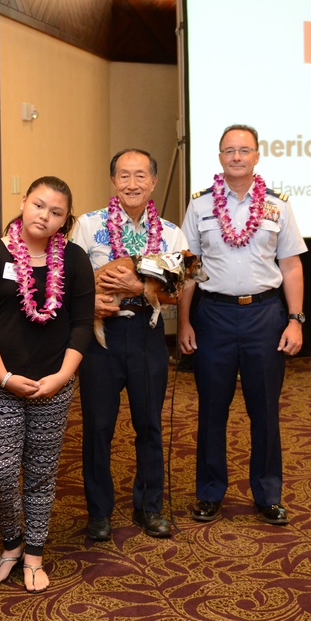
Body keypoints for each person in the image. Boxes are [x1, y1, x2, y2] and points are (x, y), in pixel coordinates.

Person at [0, 176, 94, 593]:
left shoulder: (74, 260)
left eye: (56, 212)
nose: (45, 216)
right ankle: (11, 544)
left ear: (65, 220)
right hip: (0, 381)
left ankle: (34, 553)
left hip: (53, 384)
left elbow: (81, 325)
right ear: (23, 203)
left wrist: (62, 376)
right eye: (39, 205)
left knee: (40, 472)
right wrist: (2, 375)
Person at [177, 124, 306, 526]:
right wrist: (183, 321)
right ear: (219, 158)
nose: (236, 156)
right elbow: (187, 268)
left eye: (244, 150)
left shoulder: (277, 205)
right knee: (212, 410)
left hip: (265, 317)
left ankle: (268, 494)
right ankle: (210, 493)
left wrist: (295, 320)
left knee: (264, 410)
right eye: (229, 150)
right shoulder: (199, 206)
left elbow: (291, 265)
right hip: (212, 315)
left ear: (256, 156)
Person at [71, 148, 188, 541]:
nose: (132, 183)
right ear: (113, 181)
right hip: (100, 336)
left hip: (147, 334)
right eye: (124, 175)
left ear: (153, 182)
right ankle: (99, 512)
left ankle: (149, 507)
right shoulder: (88, 226)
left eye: (140, 176)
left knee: (149, 425)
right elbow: (70, 279)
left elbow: (177, 291)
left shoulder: (171, 233)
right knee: (98, 427)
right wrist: (88, 302)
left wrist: (138, 287)